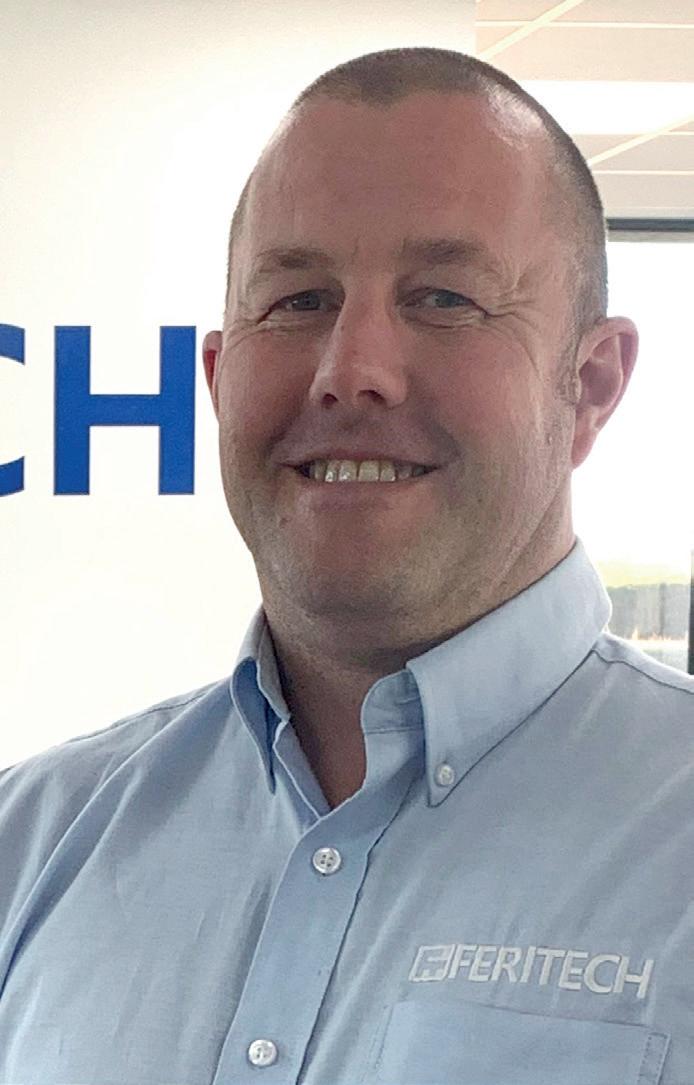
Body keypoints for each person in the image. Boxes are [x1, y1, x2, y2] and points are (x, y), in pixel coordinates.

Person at [0, 45, 692, 1085]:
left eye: (445, 298)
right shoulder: (33, 842)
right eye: (298, 300)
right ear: (218, 377)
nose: (351, 369)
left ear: (589, 385)